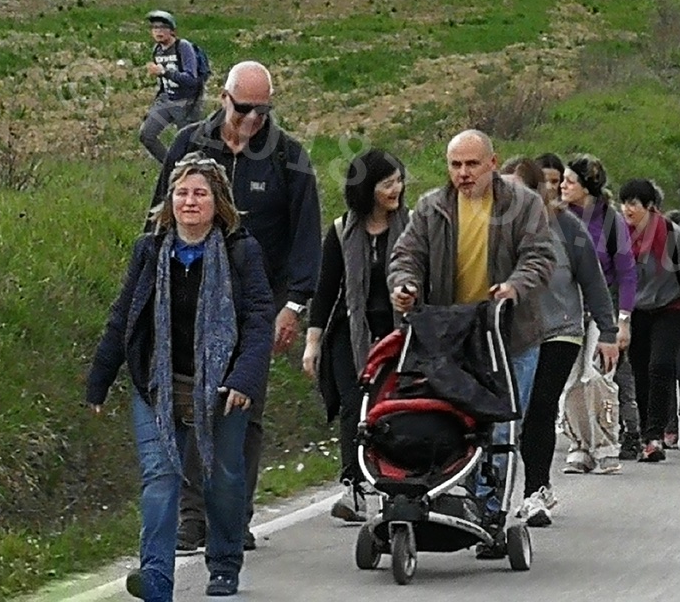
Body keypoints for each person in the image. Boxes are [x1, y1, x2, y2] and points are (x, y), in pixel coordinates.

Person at [151, 61, 323, 552]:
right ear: (223, 98)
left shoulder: (288, 157)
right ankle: (191, 517)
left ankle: (232, 517)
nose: (252, 120)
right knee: (191, 409)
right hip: (190, 297)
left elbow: (305, 236)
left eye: (262, 110)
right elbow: (159, 216)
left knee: (241, 410)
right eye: (243, 108)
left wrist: (293, 305)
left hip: (257, 306)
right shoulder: (189, 144)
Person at [86, 155, 273, 601]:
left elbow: (259, 319)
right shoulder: (149, 251)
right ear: (169, 201)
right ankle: (156, 580)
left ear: (218, 201)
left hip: (223, 387)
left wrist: (245, 379)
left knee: (222, 478)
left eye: (200, 193)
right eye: (182, 193)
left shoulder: (240, 251)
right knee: (160, 477)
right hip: (157, 385)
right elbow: (124, 318)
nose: (190, 201)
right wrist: (100, 379)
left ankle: (225, 562)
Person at [388, 130, 554, 556]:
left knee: (499, 429)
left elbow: (539, 256)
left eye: (472, 164)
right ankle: (452, 502)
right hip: (451, 338)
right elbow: (407, 255)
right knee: (452, 426)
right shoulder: (431, 207)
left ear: (493, 163)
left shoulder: (523, 205)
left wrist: (515, 286)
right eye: (455, 165)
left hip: (508, 337)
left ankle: (490, 513)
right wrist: (405, 285)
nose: (463, 174)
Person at [506, 158, 619, 525]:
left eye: (524, 189)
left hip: (561, 330)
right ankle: (492, 495)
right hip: (512, 334)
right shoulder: (497, 227)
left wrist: (609, 332)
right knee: (509, 414)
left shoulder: (565, 226)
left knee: (540, 405)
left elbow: (593, 281)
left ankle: (536, 491)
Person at [303, 150, 408, 524]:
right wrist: (313, 343)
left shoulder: (413, 227)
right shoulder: (341, 230)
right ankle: (354, 486)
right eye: (387, 183)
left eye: (398, 180)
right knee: (355, 404)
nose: (396, 189)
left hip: (400, 332)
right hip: (353, 334)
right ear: (367, 189)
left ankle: (397, 480)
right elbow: (327, 289)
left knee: (395, 405)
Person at [559, 155, 639, 463]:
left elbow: (627, 272)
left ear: (587, 187)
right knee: (571, 380)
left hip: (601, 309)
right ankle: (579, 445)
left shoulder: (610, 220)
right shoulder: (556, 217)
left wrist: (623, 320)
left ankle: (606, 444)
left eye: (570, 181)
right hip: (566, 309)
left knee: (597, 377)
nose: (562, 186)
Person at [618, 179, 680, 463]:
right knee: (640, 373)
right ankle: (645, 433)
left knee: (661, 365)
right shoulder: (618, 236)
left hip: (671, 308)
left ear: (649, 206)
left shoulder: (670, 234)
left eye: (634, 203)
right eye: (624, 202)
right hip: (637, 311)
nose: (627, 209)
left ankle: (656, 434)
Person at [138, 11, 207, 163]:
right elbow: (163, 84)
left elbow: (191, 79)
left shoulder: (183, 47)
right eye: (154, 28)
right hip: (167, 99)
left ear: (172, 31)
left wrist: (164, 72)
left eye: (163, 27)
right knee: (146, 135)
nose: (158, 31)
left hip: (187, 102)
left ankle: (194, 171)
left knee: (190, 146)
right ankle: (170, 166)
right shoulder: (156, 50)